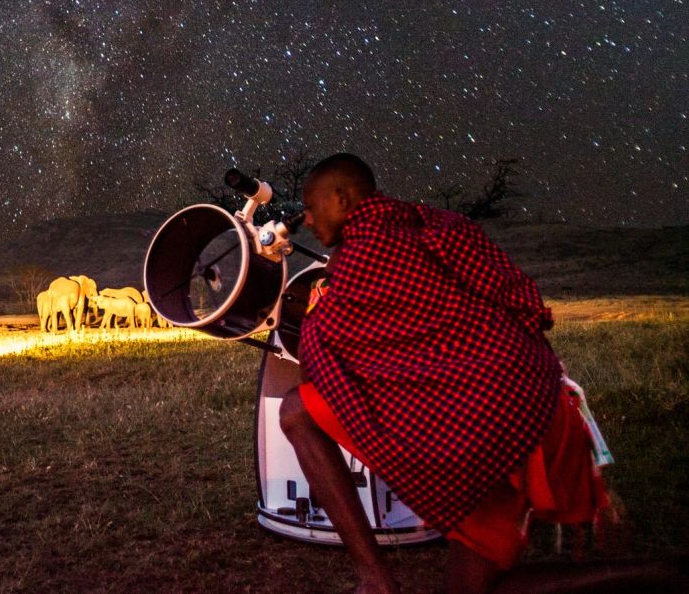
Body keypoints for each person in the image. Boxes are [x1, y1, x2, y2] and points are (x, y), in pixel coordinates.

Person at [279, 153, 679, 594]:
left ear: (342, 197)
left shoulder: (368, 253)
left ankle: (375, 580)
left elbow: (328, 341)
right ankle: (659, 573)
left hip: (495, 424)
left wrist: (316, 315)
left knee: (297, 411)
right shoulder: (430, 223)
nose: (307, 220)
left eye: (311, 205)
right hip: (531, 403)